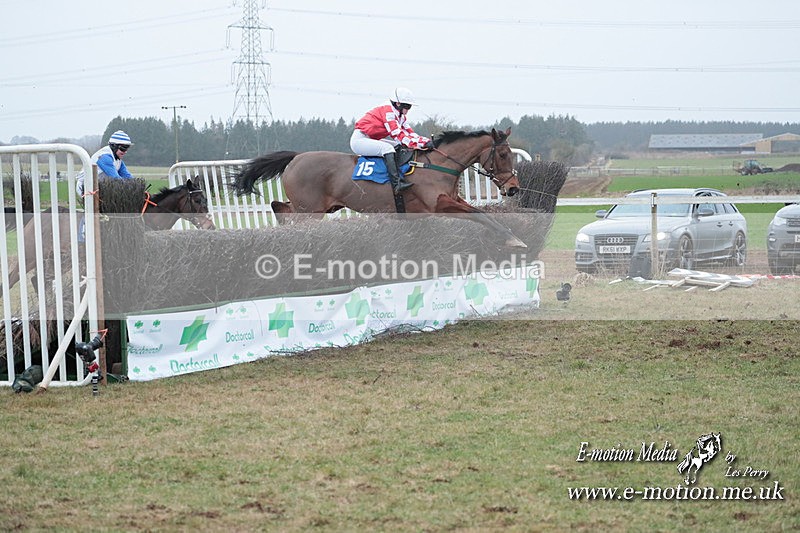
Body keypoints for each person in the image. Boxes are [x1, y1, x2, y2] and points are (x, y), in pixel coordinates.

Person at [350, 87, 433, 193]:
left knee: (398, 146)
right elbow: (397, 135)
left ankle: (401, 176)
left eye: (410, 106)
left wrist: (425, 141)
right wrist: (420, 145)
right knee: (388, 148)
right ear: (398, 104)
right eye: (407, 106)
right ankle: (396, 184)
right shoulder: (388, 111)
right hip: (360, 140)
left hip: (371, 139)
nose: (408, 110)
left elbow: (409, 133)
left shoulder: (400, 115)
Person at [76, 130, 135, 198]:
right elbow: (116, 178)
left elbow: (127, 176)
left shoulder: (117, 159)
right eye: (123, 149)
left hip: (98, 186)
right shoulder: (105, 157)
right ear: (114, 146)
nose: (125, 152)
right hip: (86, 187)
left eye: (127, 149)